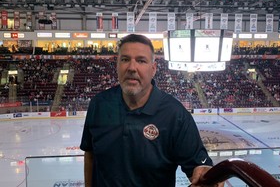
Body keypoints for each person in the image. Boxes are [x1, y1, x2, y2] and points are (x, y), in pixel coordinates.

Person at [80, 34, 224, 187]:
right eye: (125, 59)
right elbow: (90, 154)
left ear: (153, 69)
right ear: (117, 65)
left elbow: (199, 168)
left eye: (141, 61)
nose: (131, 68)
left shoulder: (175, 115)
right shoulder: (99, 104)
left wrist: (206, 173)